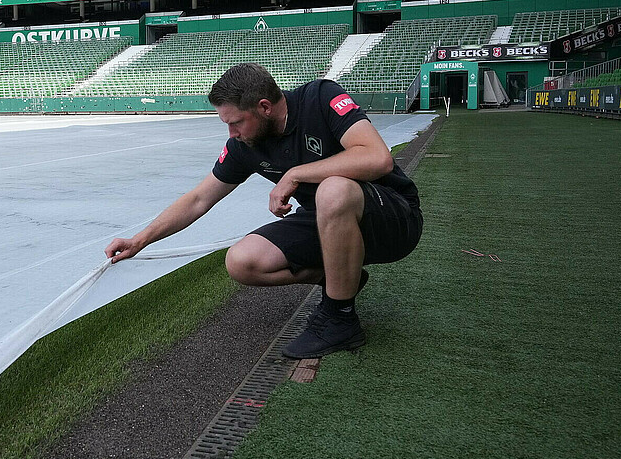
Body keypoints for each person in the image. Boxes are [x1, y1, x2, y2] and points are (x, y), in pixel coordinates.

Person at [104, 63, 422, 359]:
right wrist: (140, 240)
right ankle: (343, 278)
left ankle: (340, 318)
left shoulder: (320, 97)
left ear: (264, 107)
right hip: (330, 221)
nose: (232, 134)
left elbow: (377, 158)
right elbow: (199, 198)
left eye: (236, 123)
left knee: (333, 189)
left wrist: (295, 174)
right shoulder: (245, 145)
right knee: (242, 261)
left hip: (394, 216)